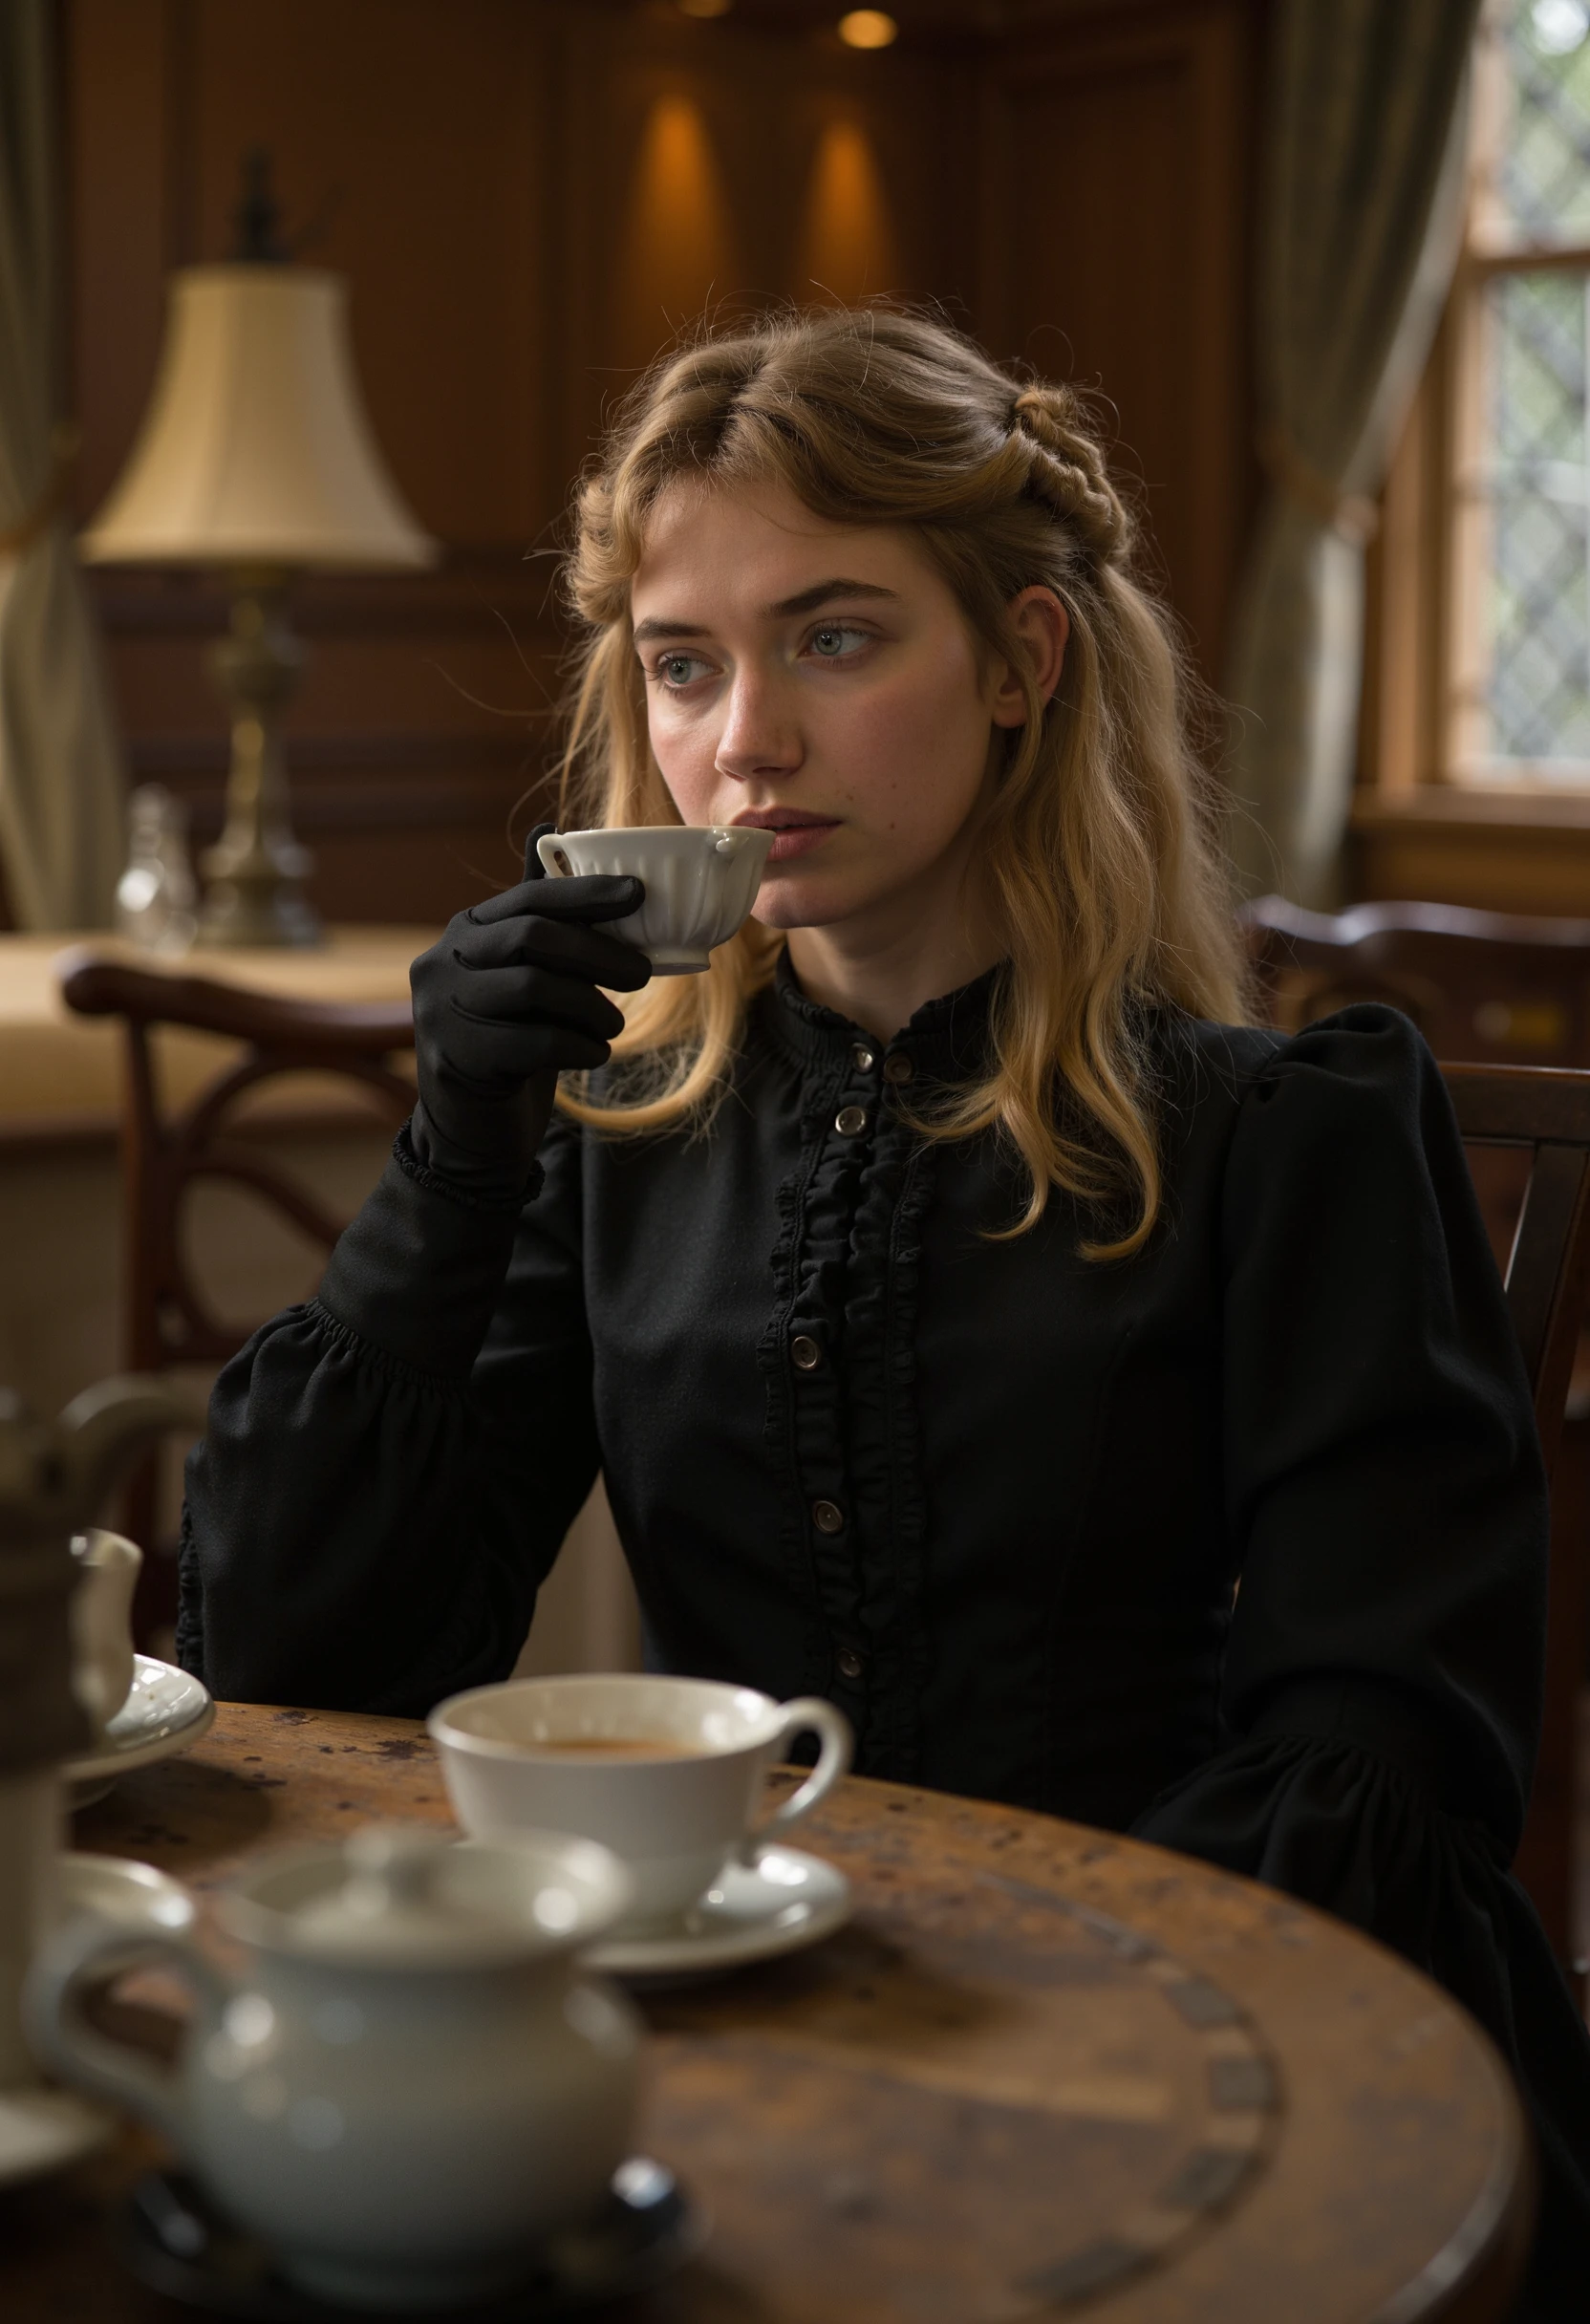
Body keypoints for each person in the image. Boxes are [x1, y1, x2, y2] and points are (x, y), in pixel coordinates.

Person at [178, 306, 1590, 2311]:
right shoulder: (620, 1134)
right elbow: (307, 1668)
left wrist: (969, 2012)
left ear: (1022, 663)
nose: (741, 738)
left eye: (834, 637)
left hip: (1209, 2051)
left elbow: (1382, 1761)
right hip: (733, 2046)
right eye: (684, 662)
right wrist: (453, 1154)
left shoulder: (1292, 1138)